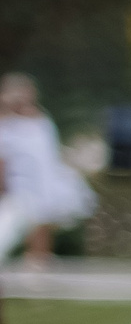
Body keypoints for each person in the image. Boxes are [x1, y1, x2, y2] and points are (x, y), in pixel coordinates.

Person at [0, 73, 98, 264]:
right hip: (19, 185)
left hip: (42, 182)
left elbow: (48, 155)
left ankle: (38, 262)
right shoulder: (6, 124)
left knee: (41, 219)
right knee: (12, 224)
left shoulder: (41, 121)